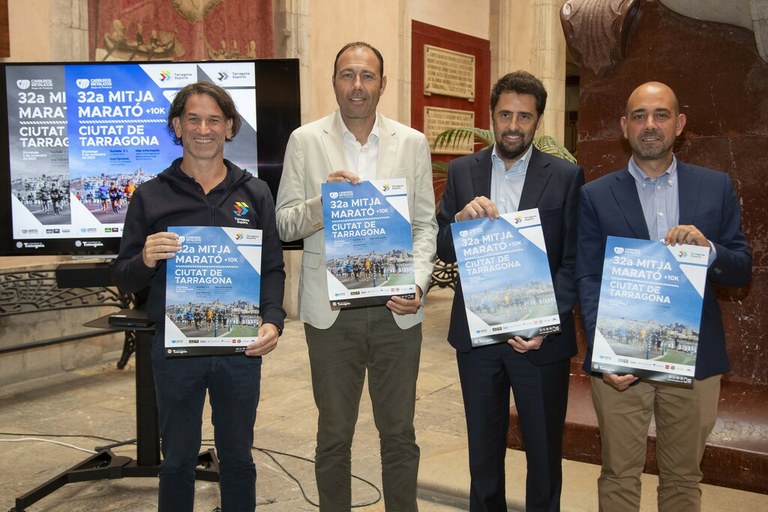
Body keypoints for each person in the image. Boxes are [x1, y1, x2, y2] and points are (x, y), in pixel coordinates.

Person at [275, 41, 437, 511]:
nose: (357, 85)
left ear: (383, 84)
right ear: (334, 82)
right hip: (331, 315)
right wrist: (321, 203)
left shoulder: (412, 143)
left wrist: (418, 283)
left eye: (367, 76)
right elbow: (284, 223)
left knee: (399, 433)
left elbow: (425, 226)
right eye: (348, 75)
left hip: (396, 312)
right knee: (333, 436)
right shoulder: (305, 141)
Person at [575, 81, 752, 511]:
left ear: (680, 123)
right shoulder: (595, 195)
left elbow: (742, 268)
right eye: (639, 116)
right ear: (624, 127)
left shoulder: (715, 187)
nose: (650, 125)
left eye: (661, 114)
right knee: (618, 475)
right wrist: (607, 353)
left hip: (695, 360)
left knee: (683, 481)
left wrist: (709, 251)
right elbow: (589, 278)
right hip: (622, 362)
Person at [113, 81, 286, 512]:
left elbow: (271, 268)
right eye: (193, 119)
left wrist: (272, 320)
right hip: (175, 354)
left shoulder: (255, 192)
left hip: (240, 352)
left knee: (239, 459)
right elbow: (124, 276)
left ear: (229, 127)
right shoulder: (150, 195)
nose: (203, 129)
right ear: (177, 125)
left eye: (214, 120)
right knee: (176, 461)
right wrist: (146, 259)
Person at [436, 71, 584, 512]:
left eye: (524, 116)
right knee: (483, 456)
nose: (513, 126)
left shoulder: (565, 176)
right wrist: (459, 223)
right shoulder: (463, 171)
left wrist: (545, 322)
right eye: (505, 115)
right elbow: (443, 245)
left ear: (538, 120)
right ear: (492, 116)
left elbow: (574, 260)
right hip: (478, 340)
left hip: (539, 343)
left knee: (544, 456)